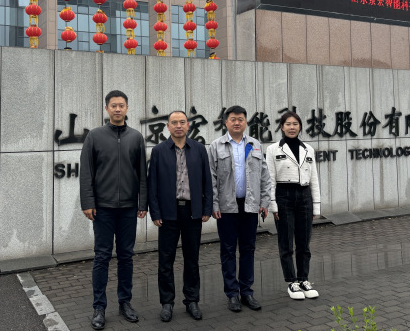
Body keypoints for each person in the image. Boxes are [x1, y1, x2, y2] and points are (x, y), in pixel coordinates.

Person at [79, 90, 148, 330]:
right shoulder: (95, 136)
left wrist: (142, 203)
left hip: (128, 208)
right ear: (107, 108)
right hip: (103, 209)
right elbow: (86, 172)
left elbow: (142, 174)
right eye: (113, 105)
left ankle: (125, 302)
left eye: (121, 105)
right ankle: (99, 307)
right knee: (102, 256)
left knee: (126, 256)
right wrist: (88, 202)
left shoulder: (136, 137)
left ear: (127, 108)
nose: (118, 109)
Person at [148, 111, 213, 323]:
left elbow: (207, 181)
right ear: (167, 126)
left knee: (192, 258)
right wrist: (155, 212)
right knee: (166, 260)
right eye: (174, 122)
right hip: (168, 212)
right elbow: (152, 184)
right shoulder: (159, 151)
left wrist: (206, 208)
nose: (178, 126)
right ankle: (167, 303)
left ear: (188, 125)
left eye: (182, 122)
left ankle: (192, 300)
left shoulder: (199, 149)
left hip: (192, 212)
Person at [208, 105, 270, 312]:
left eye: (240, 119)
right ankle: (232, 294)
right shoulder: (216, 146)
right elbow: (211, 178)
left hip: (250, 206)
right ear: (226, 122)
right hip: (226, 207)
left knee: (248, 249)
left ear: (245, 122)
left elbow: (264, 176)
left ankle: (247, 292)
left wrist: (264, 202)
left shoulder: (254, 144)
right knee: (227, 251)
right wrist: (214, 204)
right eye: (233, 119)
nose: (237, 122)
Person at [266, 111, 321, 300]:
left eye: (295, 124)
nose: (292, 127)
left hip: (304, 196)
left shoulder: (308, 149)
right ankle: (292, 282)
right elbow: (270, 179)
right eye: (288, 124)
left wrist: (316, 206)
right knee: (286, 242)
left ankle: (304, 279)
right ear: (282, 127)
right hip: (284, 196)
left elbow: (314, 179)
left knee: (304, 243)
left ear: (300, 127)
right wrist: (273, 205)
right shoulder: (273, 149)